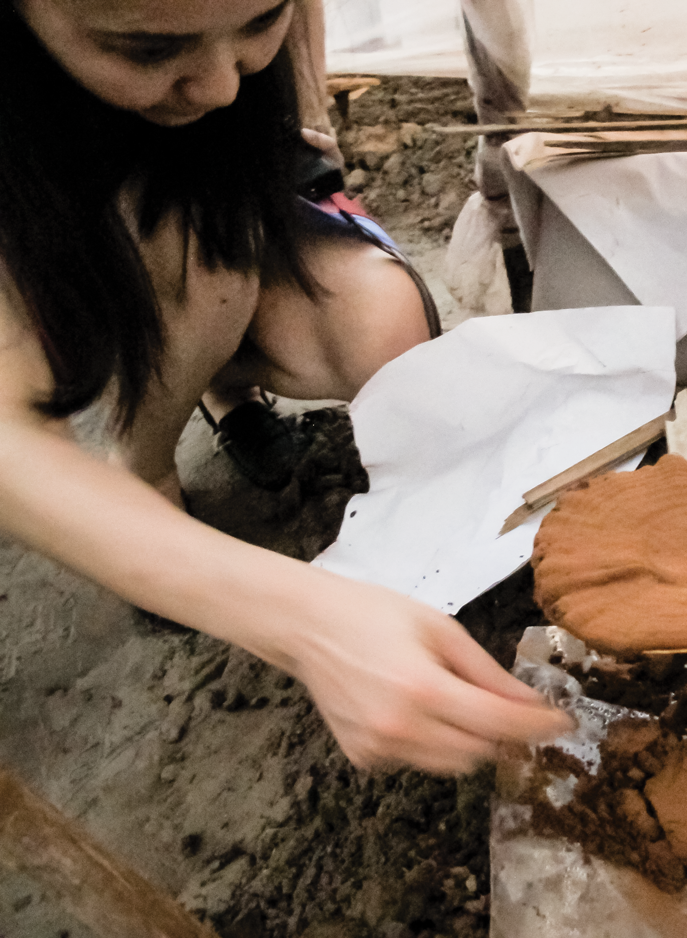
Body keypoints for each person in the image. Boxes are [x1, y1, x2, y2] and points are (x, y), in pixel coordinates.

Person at [0, 0, 573, 774]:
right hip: (74, 243)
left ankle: (212, 365)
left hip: (219, 200)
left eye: (257, 21)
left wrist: (306, 124)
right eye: (146, 48)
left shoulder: (229, 88)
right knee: (208, 279)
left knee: (382, 323)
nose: (219, 87)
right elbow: (13, 436)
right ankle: (146, 465)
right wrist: (302, 619)